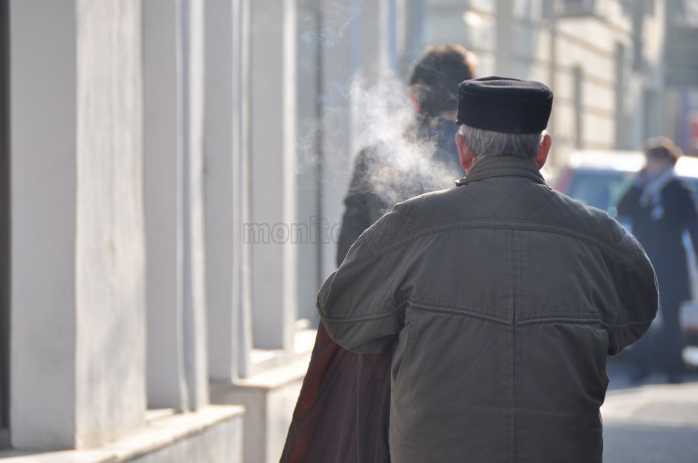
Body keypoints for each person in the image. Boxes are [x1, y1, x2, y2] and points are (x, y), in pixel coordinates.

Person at [317, 77, 658, 463]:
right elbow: (635, 318)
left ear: (463, 149)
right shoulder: (601, 238)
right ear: (543, 150)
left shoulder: (410, 226)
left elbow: (342, 316)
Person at [336, 44, 476, 264]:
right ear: (469, 100)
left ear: (414, 99)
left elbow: (348, 258)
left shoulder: (374, 158)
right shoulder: (478, 160)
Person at [617, 137, 698, 384]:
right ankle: (640, 367)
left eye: (655, 160)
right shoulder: (641, 188)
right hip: (643, 260)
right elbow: (621, 208)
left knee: (672, 318)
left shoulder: (679, 191)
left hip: (671, 263)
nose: (651, 165)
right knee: (641, 314)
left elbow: (694, 228)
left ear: (666, 162)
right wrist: (637, 182)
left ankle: (674, 369)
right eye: (648, 160)